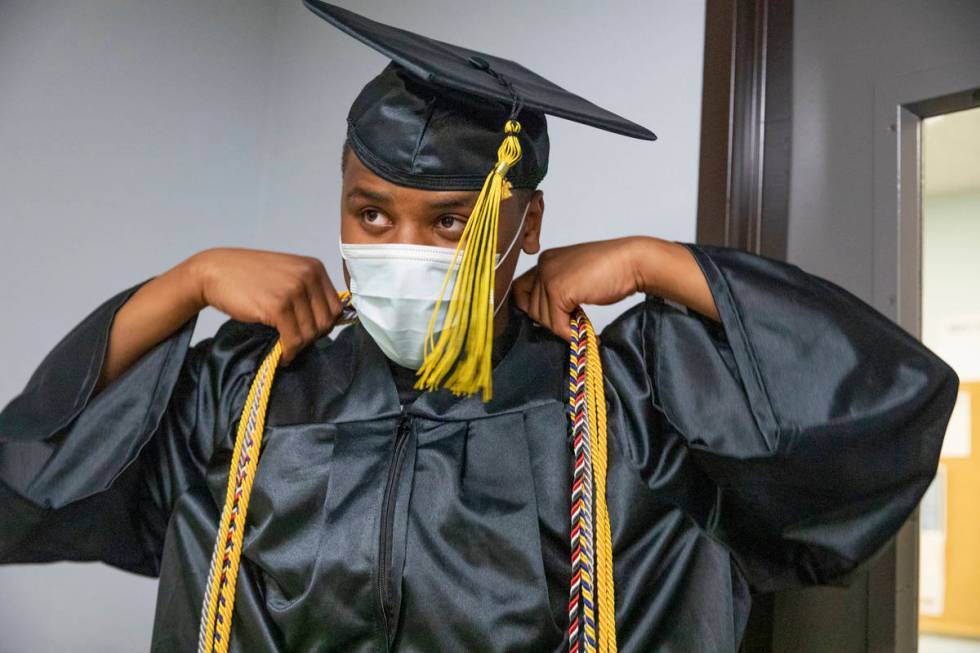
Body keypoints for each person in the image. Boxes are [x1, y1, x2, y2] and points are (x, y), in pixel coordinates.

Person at [0, 2, 959, 651]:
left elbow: (884, 406)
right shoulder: (249, 393)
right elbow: (28, 473)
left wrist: (654, 263)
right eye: (370, 215)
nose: (402, 246)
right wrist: (187, 283)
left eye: (452, 221)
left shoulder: (626, 397)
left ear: (524, 227)